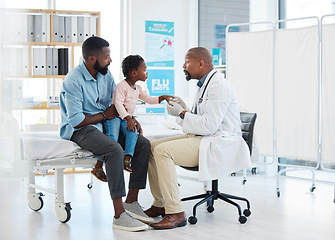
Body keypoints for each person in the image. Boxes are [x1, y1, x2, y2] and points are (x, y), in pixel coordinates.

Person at [144, 47, 251, 230]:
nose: (183, 66)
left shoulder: (219, 86)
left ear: (201, 63)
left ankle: (176, 212)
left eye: (187, 61)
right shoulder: (205, 85)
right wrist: (183, 109)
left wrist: (184, 113)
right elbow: (199, 119)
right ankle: (160, 203)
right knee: (151, 147)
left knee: (162, 151)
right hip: (205, 137)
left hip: (219, 142)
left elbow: (210, 125)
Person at [60, 36, 153, 232]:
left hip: (106, 124)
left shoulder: (106, 75)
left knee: (143, 144)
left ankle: (131, 201)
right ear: (92, 59)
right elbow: (76, 120)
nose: (110, 60)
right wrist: (103, 115)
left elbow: (116, 104)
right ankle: (119, 215)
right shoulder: (73, 80)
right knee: (114, 150)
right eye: (107, 56)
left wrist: (130, 119)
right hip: (81, 129)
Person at [103, 54, 172, 173]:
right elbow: (118, 104)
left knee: (132, 132)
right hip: (114, 117)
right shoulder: (121, 86)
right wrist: (129, 118)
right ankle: (100, 162)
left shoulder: (138, 88)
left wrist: (162, 97)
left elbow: (149, 99)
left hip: (125, 118)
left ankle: (127, 158)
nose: (146, 73)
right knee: (112, 138)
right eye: (144, 70)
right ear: (133, 72)